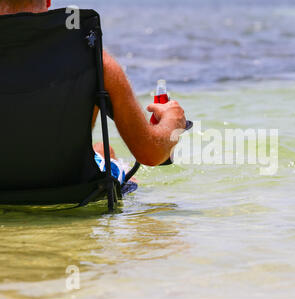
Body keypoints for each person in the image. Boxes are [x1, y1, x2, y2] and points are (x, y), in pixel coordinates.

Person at [0, 0, 187, 184]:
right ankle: (105, 157)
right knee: (117, 168)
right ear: (48, 1)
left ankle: (103, 154)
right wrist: (172, 122)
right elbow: (150, 153)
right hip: (70, 185)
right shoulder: (92, 60)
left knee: (103, 153)